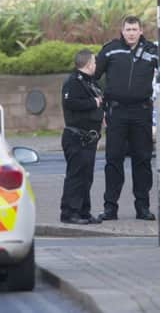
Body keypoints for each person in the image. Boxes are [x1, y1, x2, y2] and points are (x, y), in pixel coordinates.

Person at [95, 15, 158, 221]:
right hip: (117, 112)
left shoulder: (151, 51)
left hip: (141, 112)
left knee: (143, 160)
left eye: (134, 29)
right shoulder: (110, 49)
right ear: (122, 31)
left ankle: (143, 208)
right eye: (128, 30)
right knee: (113, 160)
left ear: (141, 31)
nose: (131, 33)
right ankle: (110, 208)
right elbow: (92, 75)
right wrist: (100, 101)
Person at [60, 49, 105, 225]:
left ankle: (84, 211)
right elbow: (70, 102)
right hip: (76, 137)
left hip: (89, 138)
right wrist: (93, 103)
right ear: (87, 64)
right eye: (94, 62)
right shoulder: (73, 81)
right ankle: (70, 212)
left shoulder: (91, 82)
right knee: (75, 177)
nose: (95, 65)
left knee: (86, 177)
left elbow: (101, 100)